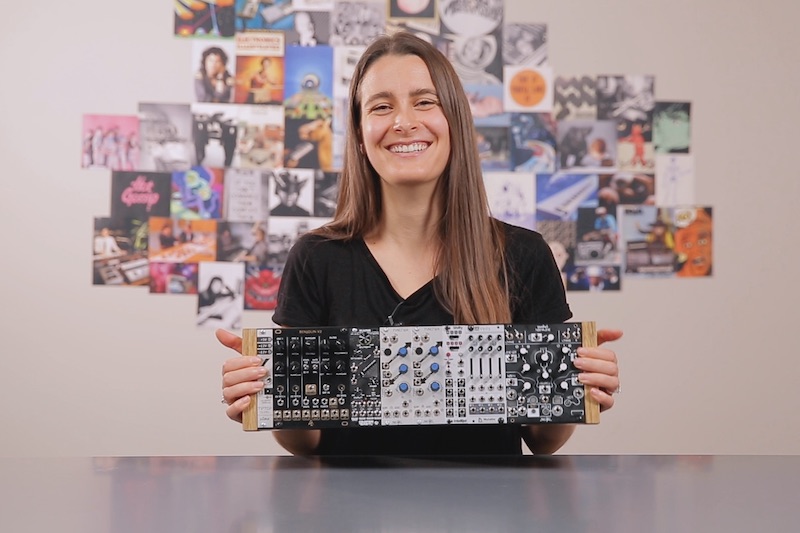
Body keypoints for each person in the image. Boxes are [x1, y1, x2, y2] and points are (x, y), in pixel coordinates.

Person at [219, 32, 621, 456]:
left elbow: (542, 441)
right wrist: (268, 395)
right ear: (360, 134)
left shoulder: (524, 254)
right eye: (381, 106)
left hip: (491, 499)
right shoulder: (315, 258)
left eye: (425, 102)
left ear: (455, 122)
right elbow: (305, 442)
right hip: (349, 500)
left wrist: (579, 386)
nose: (403, 121)